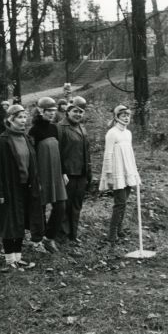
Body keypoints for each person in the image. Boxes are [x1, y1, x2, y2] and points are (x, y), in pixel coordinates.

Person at [0, 104, 44, 270]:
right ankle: (9, 258)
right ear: (10, 119)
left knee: (21, 220)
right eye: (19, 117)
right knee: (10, 222)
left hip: (26, 187)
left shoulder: (26, 138)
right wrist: (0, 191)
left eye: (24, 117)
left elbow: (32, 163)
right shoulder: (3, 140)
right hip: (10, 187)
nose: (23, 120)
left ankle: (18, 256)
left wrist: (36, 182)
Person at [28, 97, 67, 253]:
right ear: (40, 111)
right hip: (41, 174)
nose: (52, 113)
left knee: (61, 206)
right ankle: (37, 240)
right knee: (40, 209)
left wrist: (63, 172)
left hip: (56, 173)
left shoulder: (55, 128)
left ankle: (49, 237)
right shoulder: (33, 131)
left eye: (53, 111)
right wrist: (34, 178)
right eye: (48, 111)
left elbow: (60, 151)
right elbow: (31, 156)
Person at [99, 105, 141, 246]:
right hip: (116, 171)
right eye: (123, 115)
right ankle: (111, 235)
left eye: (128, 115)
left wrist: (134, 172)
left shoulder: (128, 133)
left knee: (124, 202)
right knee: (120, 203)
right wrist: (109, 174)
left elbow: (130, 154)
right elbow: (108, 154)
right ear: (117, 117)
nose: (126, 118)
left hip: (127, 170)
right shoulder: (112, 133)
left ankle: (119, 230)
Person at [57, 96, 92, 244]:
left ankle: (73, 234)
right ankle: (62, 235)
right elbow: (57, 152)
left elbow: (86, 151)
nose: (78, 114)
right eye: (75, 111)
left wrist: (89, 172)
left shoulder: (82, 128)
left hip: (81, 173)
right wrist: (61, 172)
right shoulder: (61, 128)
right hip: (68, 173)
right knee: (65, 205)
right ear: (68, 111)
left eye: (81, 112)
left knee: (77, 205)